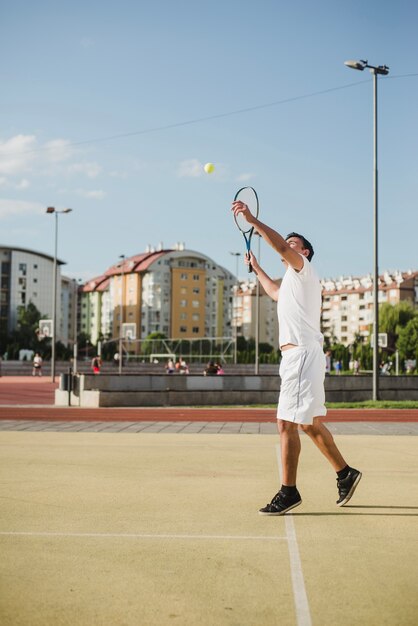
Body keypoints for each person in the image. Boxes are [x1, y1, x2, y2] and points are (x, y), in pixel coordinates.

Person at [231, 198, 362, 515]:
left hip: (301, 355)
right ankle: (345, 473)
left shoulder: (304, 269)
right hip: (301, 356)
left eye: (293, 244)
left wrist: (254, 222)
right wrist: (258, 269)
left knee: (285, 424)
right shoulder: (291, 280)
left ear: (303, 252)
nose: (287, 246)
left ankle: (288, 491)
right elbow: (274, 293)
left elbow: (278, 247)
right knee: (309, 424)